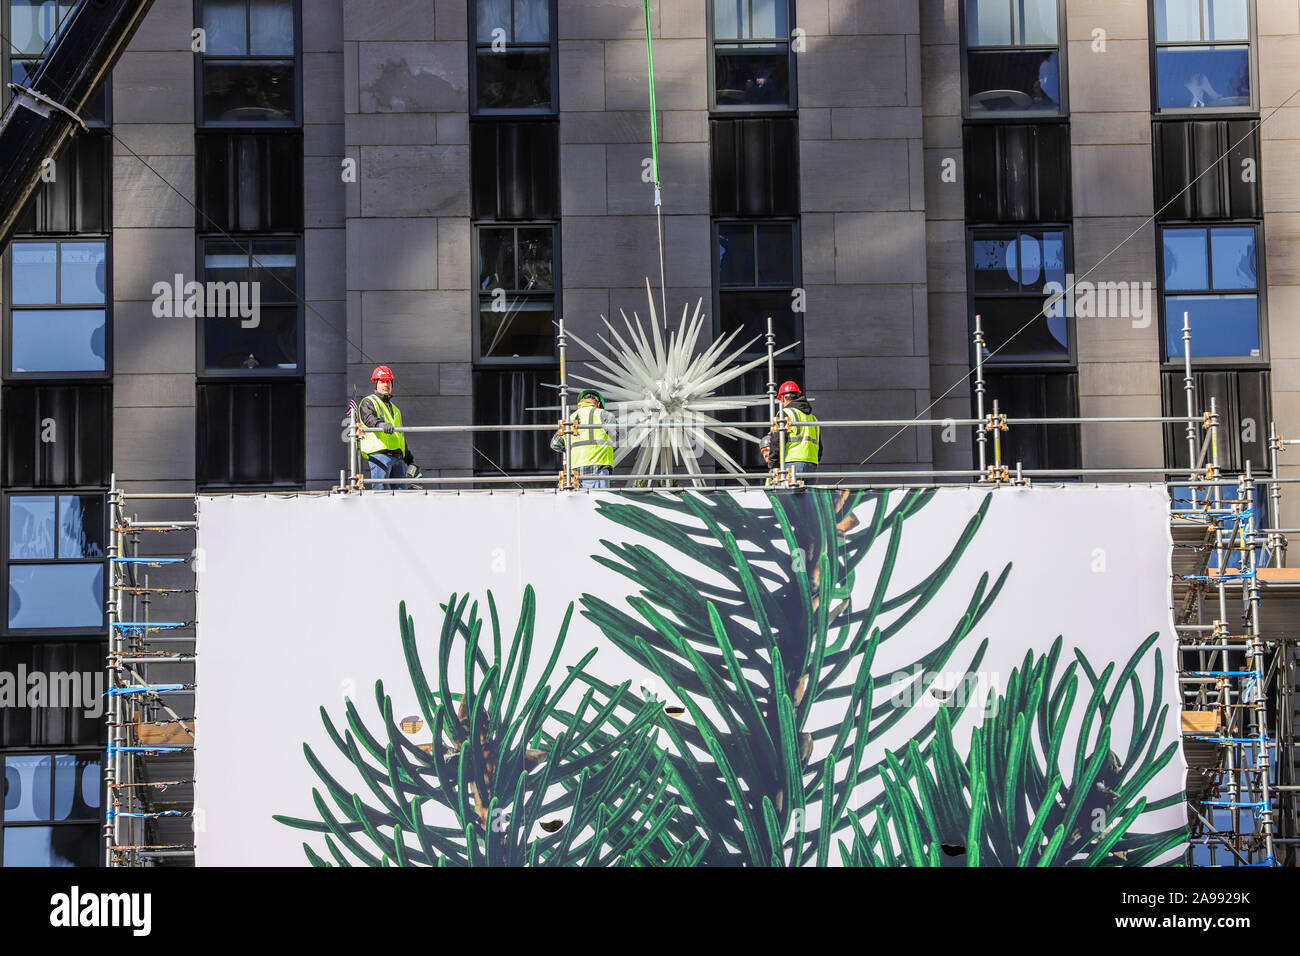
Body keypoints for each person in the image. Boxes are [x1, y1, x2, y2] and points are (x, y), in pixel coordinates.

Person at [357, 365, 419, 489]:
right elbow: (369, 418)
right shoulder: (368, 401)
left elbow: (400, 436)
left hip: (398, 457)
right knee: (380, 491)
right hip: (380, 455)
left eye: (388, 381)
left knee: (401, 494)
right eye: (382, 381)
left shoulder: (395, 409)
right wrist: (381, 424)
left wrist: (408, 458)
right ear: (376, 384)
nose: (386, 384)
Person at [552, 389, 619, 489]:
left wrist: (571, 448)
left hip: (574, 475)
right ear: (598, 403)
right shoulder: (604, 414)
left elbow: (555, 444)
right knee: (598, 502)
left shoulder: (570, 418)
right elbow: (616, 436)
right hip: (597, 469)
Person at [777, 380, 820, 479]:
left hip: (792, 463)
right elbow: (819, 447)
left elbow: (777, 441)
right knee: (809, 494)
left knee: (790, 494)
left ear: (783, 398)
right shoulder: (813, 418)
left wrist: (774, 465)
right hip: (812, 464)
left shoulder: (785, 414)